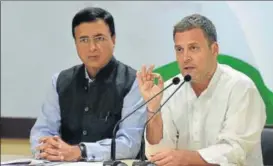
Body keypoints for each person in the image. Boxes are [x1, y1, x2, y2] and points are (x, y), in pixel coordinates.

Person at [137, 14, 266, 166]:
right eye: (179, 49)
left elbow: (235, 151)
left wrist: (185, 158)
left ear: (214, 49)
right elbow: (157, 153)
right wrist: (154, 109)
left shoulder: (241, 88)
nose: (185, 58)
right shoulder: (169, 88)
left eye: (193, 48)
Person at [30, 7, 146, 162]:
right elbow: (42, 130)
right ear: (76, 43)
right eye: (84, 40)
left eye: (99, 38)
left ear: (114, 39)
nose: (92, 48)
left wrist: (80, 151)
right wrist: (48, 148)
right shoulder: (59, 81)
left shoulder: (133, 82)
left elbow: (129, 144)